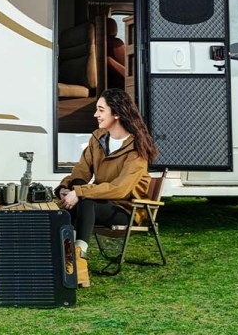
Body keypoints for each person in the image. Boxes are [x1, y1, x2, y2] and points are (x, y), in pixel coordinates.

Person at [55, 88, 157, 287]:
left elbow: (120, 189)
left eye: (101, 110)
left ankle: (78, 259)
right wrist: (65, 188)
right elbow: (81, 172)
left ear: (117, 113)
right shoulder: (98, 138)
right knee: (77, 194)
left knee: (85, 201)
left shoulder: (136, 149)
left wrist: (81, 193)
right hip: (98, 202)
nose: (95, 115)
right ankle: (67, 256)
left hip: (125, 209)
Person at [105, 17, 126, 89]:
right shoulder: (117, 43)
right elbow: (126, 69)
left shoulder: (101, 44)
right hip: (119, 83)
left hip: (110, 83)